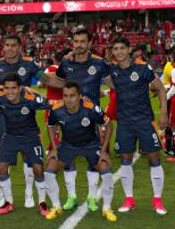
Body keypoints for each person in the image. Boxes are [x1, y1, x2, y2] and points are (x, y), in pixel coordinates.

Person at [0, 34, 54, 208]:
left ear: (19, 47)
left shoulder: (29, 64)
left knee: (28, 159)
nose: (9, 48)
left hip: (26, 117)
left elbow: (45, 80)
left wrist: (68, 84)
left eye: (13, 45)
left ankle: (29, 193)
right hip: (5, 117)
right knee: (4, 156)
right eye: (6, 45)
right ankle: (5, 196)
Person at [51, 27, 113, 212]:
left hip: (92, 118)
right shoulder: (66, 62)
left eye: (82, 41)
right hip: (69, 117)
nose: (79, 45)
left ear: (90, 43)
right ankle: (71, 197)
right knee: (68, 157)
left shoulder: (99, 64)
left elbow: (113, 82)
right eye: (76, 41)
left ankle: (92, 198)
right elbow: (60, 81)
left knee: (93, 160)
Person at [110, 36, 168, 215]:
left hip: (144, 121)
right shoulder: (112, 70)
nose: (119, 51)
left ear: (128, 49)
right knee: (125, 159)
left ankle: (157, 201)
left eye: (122, 48)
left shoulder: (142, 68)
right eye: (116, 49)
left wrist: (164, 112)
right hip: (125, 122)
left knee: (154, 158)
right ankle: (129, 199)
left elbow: (160, 88)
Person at [44, 81, 116, 222]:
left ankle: (106, 208)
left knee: (106, 172)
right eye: (65, 96)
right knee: (49, 171)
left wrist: (104, 150)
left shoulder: (91, 109)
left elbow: (109, 125)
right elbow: (50, 125)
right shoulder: (56, 109)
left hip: (91, 145)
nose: (68, 99)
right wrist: (54, 147)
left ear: (80, 96)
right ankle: (56, 206)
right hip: (68, 145)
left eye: (72, 96)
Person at [0, 72, 50, 216]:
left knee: (38, 169)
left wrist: (33, 91)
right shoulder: (0, 97)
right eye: (7, 88)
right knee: (2, 167)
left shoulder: (30, 100)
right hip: (10, 136)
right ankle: (8, 202)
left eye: (13, 88)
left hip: (30, 137)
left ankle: (42, 203)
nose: (10, 91)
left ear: (20, 88)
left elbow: (50, 103)